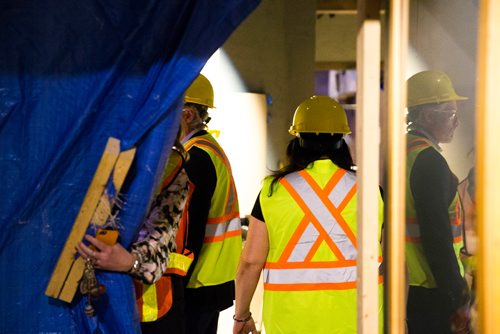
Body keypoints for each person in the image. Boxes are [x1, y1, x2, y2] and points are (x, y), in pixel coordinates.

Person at [233, 95, 384, 334]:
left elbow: (251, 262)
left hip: (290, 320)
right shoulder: (370, 190)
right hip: (359, 319)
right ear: (342, 139)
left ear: (297, 139)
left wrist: (242, 316)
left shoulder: (273, 191)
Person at [77, 136, 191, 334]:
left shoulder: (170, 165)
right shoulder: (86, 149)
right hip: (80, 297)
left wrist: (131, 262)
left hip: (143, 305)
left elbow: (161, 239)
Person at [404, 70, 471, 333]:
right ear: (429, 115)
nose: (456, 123)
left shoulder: (400, 151)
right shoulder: (429, 161)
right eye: (451, 114)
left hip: (400, 283)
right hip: (429, 289)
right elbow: (436, 238)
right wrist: (457, 296)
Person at [180, 74, 242, 334]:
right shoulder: (208, 149)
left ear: (187, 115)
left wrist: (176, 275)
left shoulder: (195, 157)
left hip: (197, 278)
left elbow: (190, 225)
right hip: (212, 276)